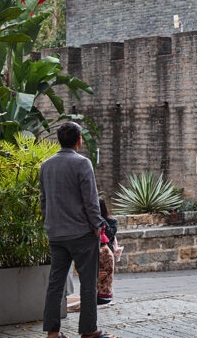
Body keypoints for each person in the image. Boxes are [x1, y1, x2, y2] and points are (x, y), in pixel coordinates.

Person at [40, 122, 114, 338]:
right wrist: (97, 226)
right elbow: (91, 201)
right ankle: (89, 331)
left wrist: (50, 222)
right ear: (79, 140)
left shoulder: (46, 165)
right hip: (82, 234)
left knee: (55, 284)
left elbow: (43, 200)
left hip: (56, 234)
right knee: (88, 284)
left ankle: (53, 334)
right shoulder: (82, 163)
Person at [97, 198, 118, 305]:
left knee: (107, 277)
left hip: (106, 252)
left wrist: (101, 220)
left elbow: (109, 234)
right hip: (95, 252)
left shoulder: (112, 221)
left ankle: (106, 296)